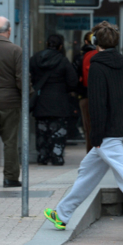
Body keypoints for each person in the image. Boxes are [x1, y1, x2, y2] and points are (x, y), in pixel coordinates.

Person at [44, 22, 123, 243]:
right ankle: (62, 214)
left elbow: (97, 105)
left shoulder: (97, 66)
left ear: (96, 43)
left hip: (108, 133)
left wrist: (95, 137)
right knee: (87, 170)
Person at [30, 34, 78, 166]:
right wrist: (65, 90)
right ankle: (57, 156)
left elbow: (29, 77)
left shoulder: (35, 59)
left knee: (42, 130)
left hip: (41, 100)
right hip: (59, 101)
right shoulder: (63, 61)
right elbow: (73, 81)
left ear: (46, 44)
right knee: (58, 131)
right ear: (60, 46)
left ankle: (43, 155)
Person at [0, 17, 22, 188]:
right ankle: (10, 178)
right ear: (8, 31)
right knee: (10, 141)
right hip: (10, 103)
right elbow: (21, 79)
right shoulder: (16, 50)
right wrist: (27, 97)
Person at [73, 32, 97, 152]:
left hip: (86, 96)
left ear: (86, 42)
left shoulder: (81, 57)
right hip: (102, 97)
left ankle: (91, 153)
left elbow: (75, 78)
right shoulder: (102, 55)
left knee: (88, 128)